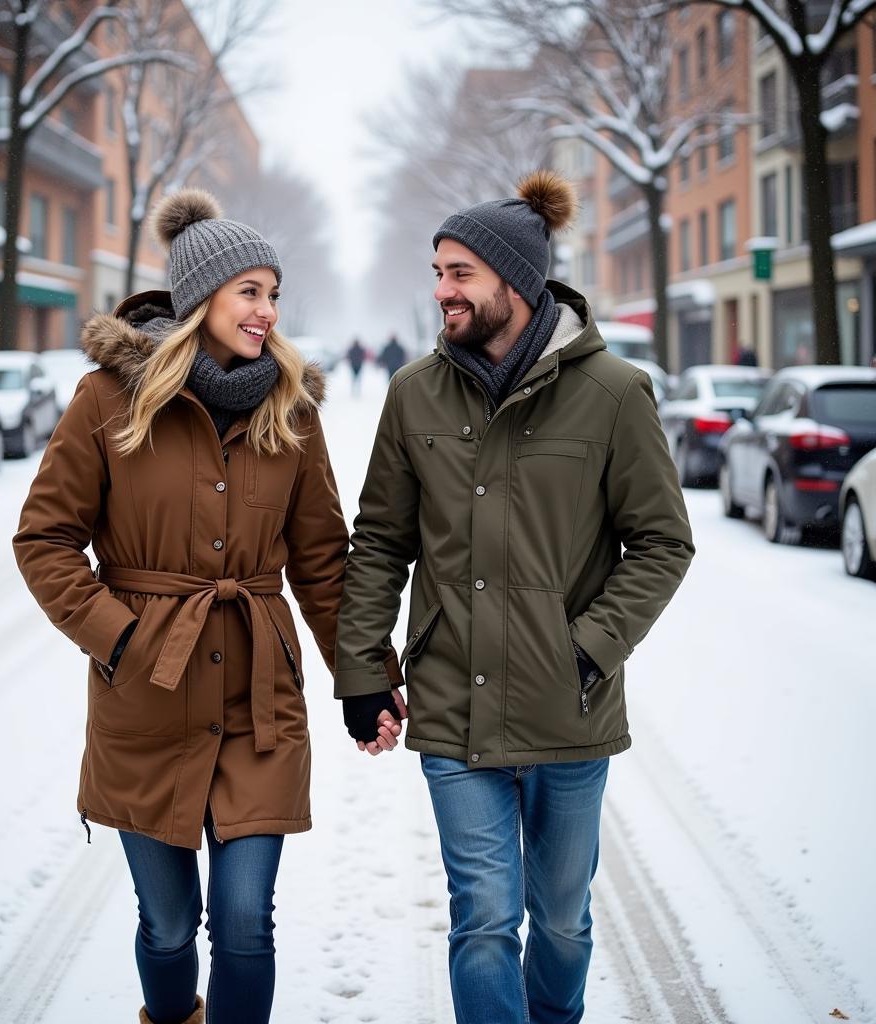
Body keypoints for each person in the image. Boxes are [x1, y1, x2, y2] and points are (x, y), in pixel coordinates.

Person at [334, 170, 695, 1024]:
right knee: (485, 919)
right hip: (454, 701)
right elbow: (381, 540)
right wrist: (362, 669)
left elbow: (663, 542)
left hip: (569, 711)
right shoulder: (413, 391)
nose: (442, 290)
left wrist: (588, 648)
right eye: (437, 272)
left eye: (460, 272)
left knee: (561, 922)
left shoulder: (615, 394)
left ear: (516, 283)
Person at [13, 189, 354, 1024]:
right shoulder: (107, 400)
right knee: (168, 928)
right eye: (251, 291)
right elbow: (45, 539)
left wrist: (366, 678)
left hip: (258, 703)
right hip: (147, 699)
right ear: (202, 297)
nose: (268, 311)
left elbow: (322, 562)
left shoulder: (293, 409)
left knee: (245, 925)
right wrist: (119, 640)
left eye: (274, 293)